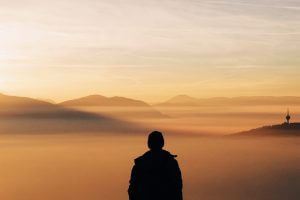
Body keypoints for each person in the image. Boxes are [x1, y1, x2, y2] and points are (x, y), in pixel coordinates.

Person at [128, 131, 183, 200]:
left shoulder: (140, 164)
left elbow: (132, 189)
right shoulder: (171, 163)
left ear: (149, 144)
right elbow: (177, 188)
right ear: (162, 143)